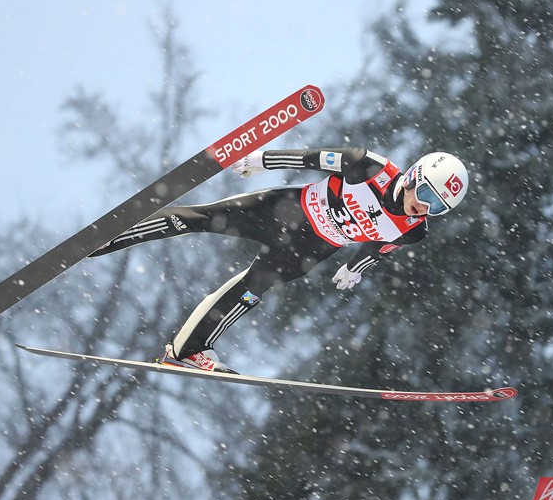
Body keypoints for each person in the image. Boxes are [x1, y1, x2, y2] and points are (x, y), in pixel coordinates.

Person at [90, 148, 469, 373]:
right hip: (284, 212)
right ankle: (108, 237)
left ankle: (186, 351)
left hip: (309, 251)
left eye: (437, 208)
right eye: (425, 195)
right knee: (198, 218)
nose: (424, 207)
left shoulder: (413, 230)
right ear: (414, 176)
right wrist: (261, 161)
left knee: (250, 291)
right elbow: (310, 158)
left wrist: (355, 268)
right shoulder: (368, 167)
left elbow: (380, 248)